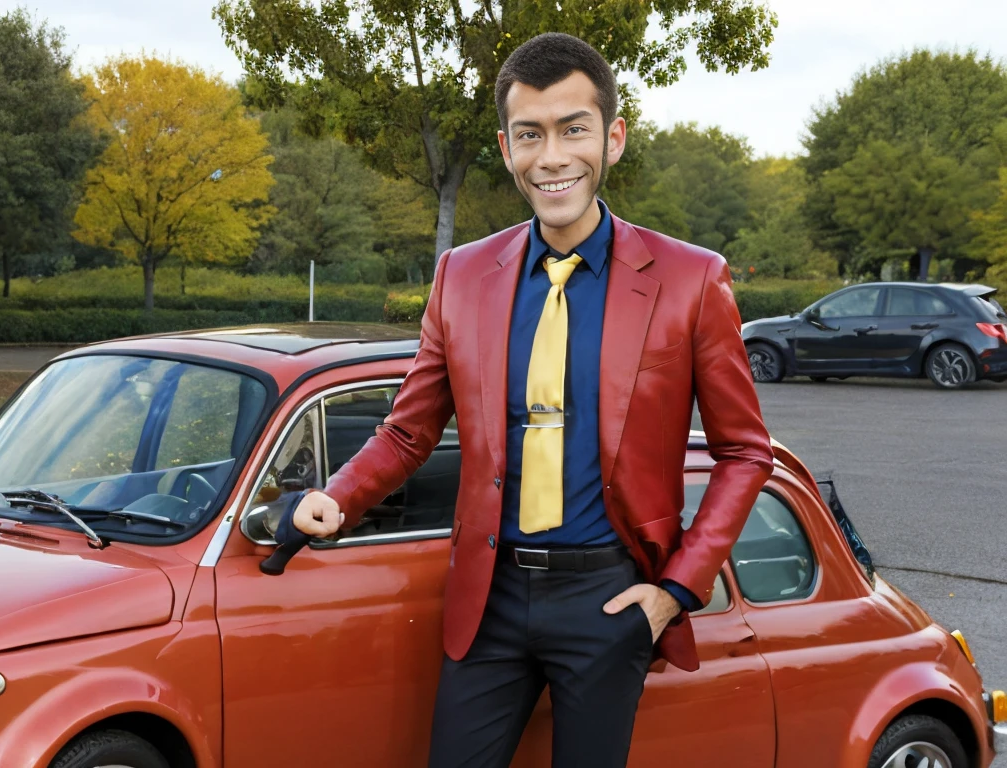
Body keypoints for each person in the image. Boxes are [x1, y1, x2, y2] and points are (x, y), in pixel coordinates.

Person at [290, 31, 774, 768]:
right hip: (489, 597)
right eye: (530, 135)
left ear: (612, 137)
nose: (552, 157)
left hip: (610, 598)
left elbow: (745, 452)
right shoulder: (461, 275)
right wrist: (340, 495)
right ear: (507, 146)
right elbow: (409, 431)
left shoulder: (691, 280)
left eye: (573, 129)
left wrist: (675, 589)